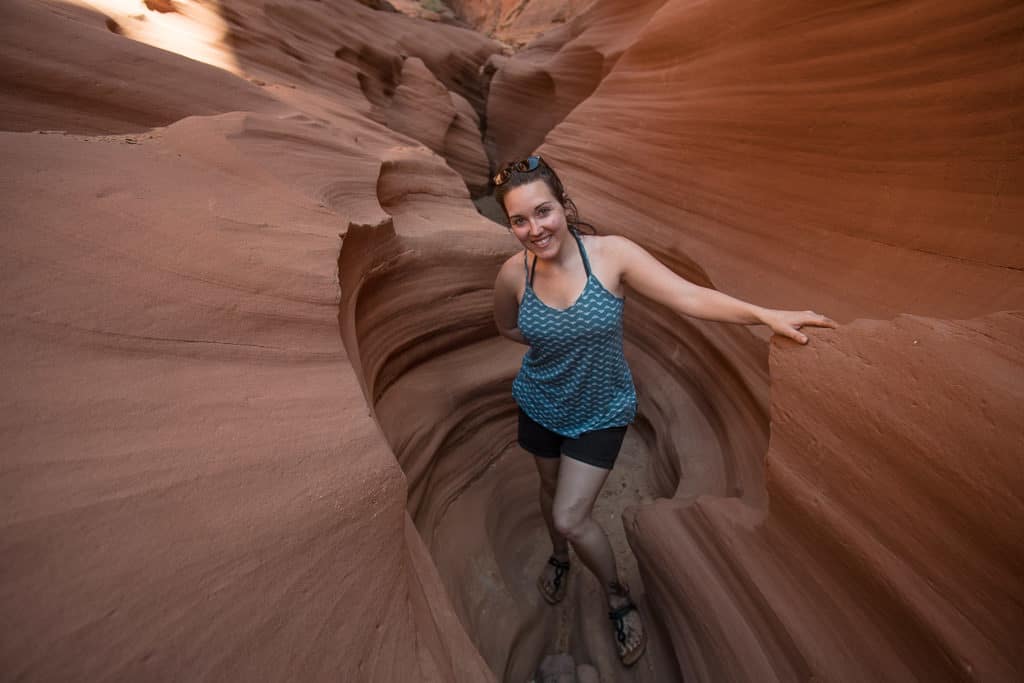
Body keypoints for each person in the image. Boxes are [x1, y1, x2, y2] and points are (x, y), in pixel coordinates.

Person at [490, 155, 837, 666]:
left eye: (543, 212)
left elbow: (689, 297)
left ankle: (615, 595)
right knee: (548, 489)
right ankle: (560, 560)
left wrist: (764, 314)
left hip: (601, 410)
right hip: (540, 402)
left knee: (568, 515)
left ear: (563, 204)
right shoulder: (512, 274)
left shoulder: (611, 257)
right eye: (519, 220)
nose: (534, 229)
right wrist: (556, 345)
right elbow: (507, 326)